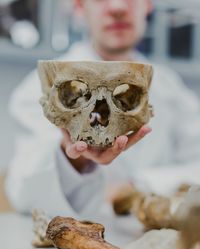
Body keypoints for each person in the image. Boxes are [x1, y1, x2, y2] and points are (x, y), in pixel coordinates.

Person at [5, 0, 200, 220]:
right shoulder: (40, 89)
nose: (117, 7)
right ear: (79, 6)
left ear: (147, 4)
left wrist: (134, 186)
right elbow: (23, 191)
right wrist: (73, 160)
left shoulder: (171, 90)